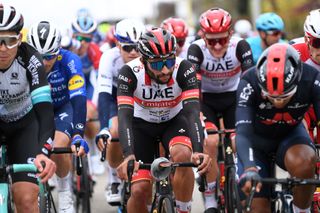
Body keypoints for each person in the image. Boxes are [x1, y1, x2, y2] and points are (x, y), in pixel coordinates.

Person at [116, 28, 211, 213]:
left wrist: (198, 151)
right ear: (144, 61)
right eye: (158, 65)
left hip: (173, 121)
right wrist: (128, 154)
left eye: (169, 61)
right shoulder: (128, 72)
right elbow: (124, 116)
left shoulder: (184, 68)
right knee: (139, 189)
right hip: (141, 125)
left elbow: (192, 112)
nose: (166, 69)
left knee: (184, 156)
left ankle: (183, 209)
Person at [236, 43, 320, 213]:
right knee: (258, 208)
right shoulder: (249, 81)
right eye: (270, 97)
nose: (278, 102)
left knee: (305, 162)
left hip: (291, 137)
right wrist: (250, 168)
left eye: (285, 96)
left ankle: (301, 210)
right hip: (256, 143)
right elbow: (243, 133)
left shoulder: (312, 78)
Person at [187, 7, 254, 212]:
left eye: (222, 40)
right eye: (211, 40)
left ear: (230, 35)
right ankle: (210, 197)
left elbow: (249, 78)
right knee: (212, 141)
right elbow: (193, 85)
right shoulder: (196, 49)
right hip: (206, 98)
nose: (217, 45)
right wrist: (196, 110)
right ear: (203, 36)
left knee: (237, 139)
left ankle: (244, 180)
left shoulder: (240, 46)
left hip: (234, 97)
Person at [27, 21, 89, 213]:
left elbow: (79, 97)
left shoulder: (70, 61)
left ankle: (64, 192)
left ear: (59, 50)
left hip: (63, 106)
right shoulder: (22, 59)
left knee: (59, 144)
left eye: (50, 56)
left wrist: (78, 133)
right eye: (40, 56)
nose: (45, 62)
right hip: (34, 108)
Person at [0, 4, 56, 212]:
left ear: (20, 40)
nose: (3, 48)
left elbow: (45, 111)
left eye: (10, 40)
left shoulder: (31, 60)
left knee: (26, 199)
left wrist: (43, 152)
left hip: (24, 126)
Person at [95, 18, 145, 205]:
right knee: (115, 130)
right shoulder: (109, 58)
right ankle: (114, 180)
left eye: (137, 47)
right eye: (127, 48)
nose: (133, 52)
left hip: (140, 96)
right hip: (115, 96)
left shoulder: (149, 56)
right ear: (117, 44)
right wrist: (103, 128)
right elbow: (104, 95)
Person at [71, 15, 104, 174]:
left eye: (87, 38)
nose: (82, 42)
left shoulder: (94, 51)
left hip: (88, 85)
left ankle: (93, 156)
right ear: (72, 35)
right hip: (69, 84)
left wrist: (93, 105)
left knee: (89, 116)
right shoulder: (67, 47)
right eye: (78, 37)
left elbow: (99, 82)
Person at [291, 9, 320, 144]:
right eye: (317, 43)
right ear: (306, 40)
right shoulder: (293, 53)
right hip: (303, 105)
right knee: (302, 143)